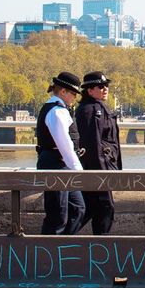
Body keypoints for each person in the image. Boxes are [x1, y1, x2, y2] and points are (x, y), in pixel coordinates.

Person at [36, 72, 86, 235]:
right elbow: (64, 145)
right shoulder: (57, 112)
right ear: (63, 92)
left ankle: (63, 246)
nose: (75, 98)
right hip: (56, 164)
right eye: (73, 94)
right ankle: (50, 253)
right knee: (57, 215)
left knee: (77, 208)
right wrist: (79, 172)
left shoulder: (59, 110)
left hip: (61, 164)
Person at [74, 71, 122, 235]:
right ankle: (100, 248)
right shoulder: (91, 111)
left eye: (106, 86)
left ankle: (60, 240)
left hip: (101, 168)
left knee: (91, 209)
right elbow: (92, 144)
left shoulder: (97, 108)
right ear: (89, 90)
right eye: (100, 86)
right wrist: (101, 174)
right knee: (104, 208)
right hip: (97, 170)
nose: (105, 89)